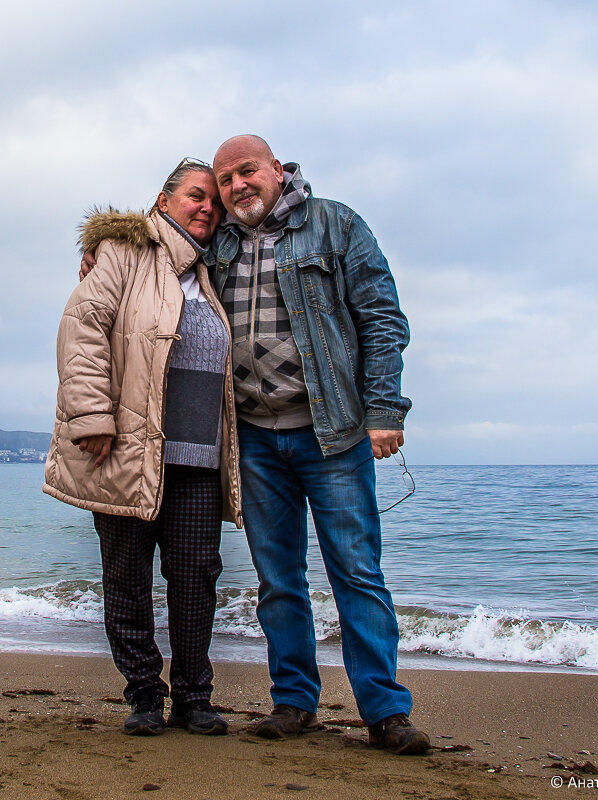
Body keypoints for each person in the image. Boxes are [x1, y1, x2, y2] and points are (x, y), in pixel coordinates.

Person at [81, 135, 429, 755]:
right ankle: (294, 702)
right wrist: (99, 250)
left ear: (277, 169)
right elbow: (155, 243)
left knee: (356, 572)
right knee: (279, 580)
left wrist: (384, 408)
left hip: (333, 433)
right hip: (254, 441)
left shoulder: (335, 224)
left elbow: (381, 318)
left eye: (248, 172)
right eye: (225, 181)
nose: (236, 187)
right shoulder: (217, 242)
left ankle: (385, 711)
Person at [43, 159, 243, 737]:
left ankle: (194, 697)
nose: (207, 208)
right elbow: (82, 329)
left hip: (198, 461)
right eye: (196, 195)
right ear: (163, 199)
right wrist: (91, 416)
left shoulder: (216, 267)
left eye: (215, 202)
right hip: (126, 452)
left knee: (196, 579)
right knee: (128, 578)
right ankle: (144, 694)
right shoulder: (122, 254)